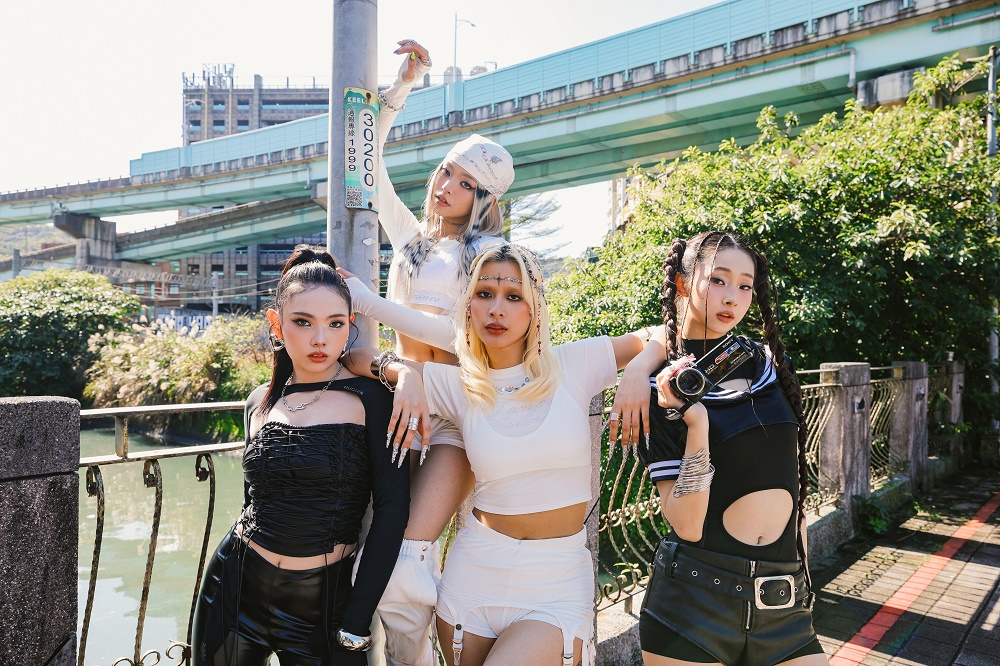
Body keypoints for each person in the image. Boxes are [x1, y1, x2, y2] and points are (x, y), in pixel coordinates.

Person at [344, 242, 662, 666]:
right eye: (484, 294)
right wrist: (401, 371)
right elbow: (355, 356)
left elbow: (660, 335)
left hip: (556, 583)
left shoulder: (573, 363)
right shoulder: (459, 386)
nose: (497, 309)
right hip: (474, 580)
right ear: (469, 307)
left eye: (513, 296)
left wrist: (638, 369)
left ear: (534, 310)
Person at [343, 38, 513, 666]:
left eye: (466, 183)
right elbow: (369, 165)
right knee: (374, 555)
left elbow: (462, 338)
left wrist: (369, 303)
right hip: (397, 406)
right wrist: (404, 86)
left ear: (484, 199)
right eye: (446, 171)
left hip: (455, 418)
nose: (447, 186)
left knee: (409, 560)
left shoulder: (488, 258)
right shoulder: (414, 243)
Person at [190, 246, 410, 666]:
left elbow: (392, 512)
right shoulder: (259, 401)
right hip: (234, 588)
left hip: (322, 609)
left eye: (335, 323)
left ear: (349, 325)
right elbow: (254, 500)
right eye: (303, 322)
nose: (320, 338)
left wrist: (357, 621)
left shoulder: (374, 399)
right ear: (277, 324)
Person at [634, 231, 829, 666]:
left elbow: (791, 481)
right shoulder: (662, 388)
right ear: (683, 283)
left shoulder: (769, 364)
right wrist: (697, 424)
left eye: (745, 285)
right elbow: (687, 525)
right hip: (693, 604)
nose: (732, 297)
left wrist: (805, 583)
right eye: (718, 280)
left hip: (783, 603)